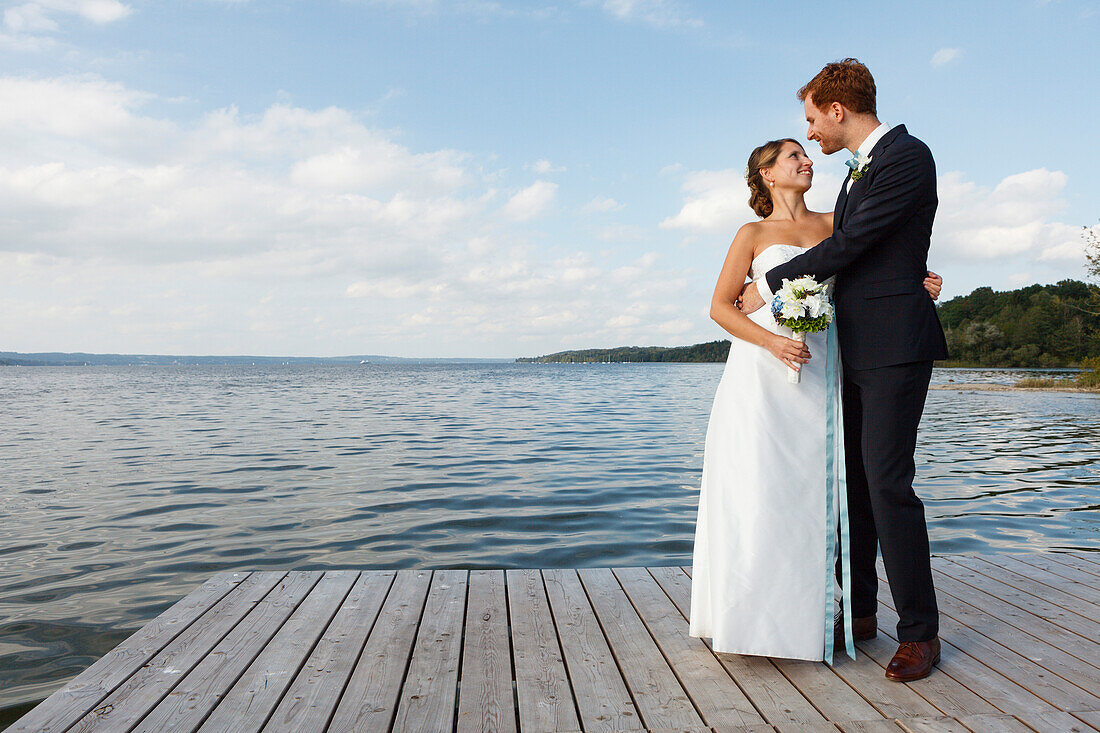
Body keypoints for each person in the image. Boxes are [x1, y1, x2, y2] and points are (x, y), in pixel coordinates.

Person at [687, 134, 942, 664]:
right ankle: (757, 611)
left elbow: (870, 256)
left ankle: (835, 607)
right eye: (792, 157)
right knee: (764, 487)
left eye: (806, 154)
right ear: (766, 175)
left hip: (830, 367)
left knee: (833, 491)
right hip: (765, 369)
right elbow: (721, 308)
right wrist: (773, 341)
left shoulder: (833, 223)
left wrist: (917, 279)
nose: (807, 161)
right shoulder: (752, 233)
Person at [737, 59, 949, 681]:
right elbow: (872, 252)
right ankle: (858, 612)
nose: (810, 135)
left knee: (887, 483)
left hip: (894, 346)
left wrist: (770, 281)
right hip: (851, 347)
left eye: (812, 119)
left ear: (838, 110)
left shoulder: (907, 156)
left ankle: (920, 633)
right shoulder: (856, 178)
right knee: (852, 486)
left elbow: (853, 245)